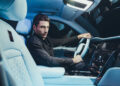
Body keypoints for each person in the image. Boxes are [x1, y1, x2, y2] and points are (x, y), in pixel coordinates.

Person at [27, 13, 91, 70]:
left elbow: (61, 42)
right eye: (42, 27)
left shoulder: (43, 38)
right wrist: (72, 60)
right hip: (46, 69)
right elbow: (49, 60)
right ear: (34, 28)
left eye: (47, 27)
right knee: (80, 65)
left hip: (49, 66)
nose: (46, 30)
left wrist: (79, 36)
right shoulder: (34, 42)